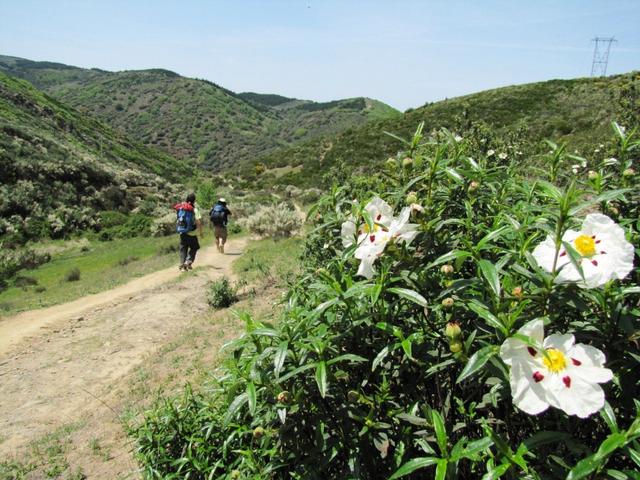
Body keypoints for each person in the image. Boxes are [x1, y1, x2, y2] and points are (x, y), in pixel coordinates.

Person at [174, 192, 203, 271]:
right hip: (192, 233)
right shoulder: (195, 209)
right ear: (194, 201)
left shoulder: (181, 208)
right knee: (195, 247)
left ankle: (182, 265)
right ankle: (188, 262)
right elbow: (198, 222)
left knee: (183, 248)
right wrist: (200, 233)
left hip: (182, 232)